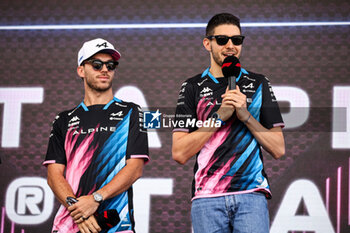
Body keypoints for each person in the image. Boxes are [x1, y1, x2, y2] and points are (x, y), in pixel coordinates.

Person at [172, 13, 285, 233]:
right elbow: (179, 152)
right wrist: (218, 117)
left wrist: (246, 116)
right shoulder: (192, 86)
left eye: (237, 40)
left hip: (251, 194)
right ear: (207, 43)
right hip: (207, 197)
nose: (230, 45)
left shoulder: (258, 83)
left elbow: (278, 149)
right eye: (222, 40)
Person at [43, 38, 149, 233]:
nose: (105, 70)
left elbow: (135, 169)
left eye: (110, 65)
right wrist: (78, 210)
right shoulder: (64, 119)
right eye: (96, 64)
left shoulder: (132, 112)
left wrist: (95, 199)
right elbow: (53, 175)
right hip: (70, 224)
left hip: (116, 224)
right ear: (81, 70)